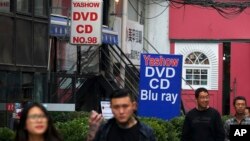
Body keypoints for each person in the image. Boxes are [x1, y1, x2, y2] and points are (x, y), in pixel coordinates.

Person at [89, 88, 156, 141]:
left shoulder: (146, 133)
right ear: (111, 108)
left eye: (125, 106)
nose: (121, 111)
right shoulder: (103, 130)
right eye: (116, 107)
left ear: (134, 106)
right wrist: (92, 133)